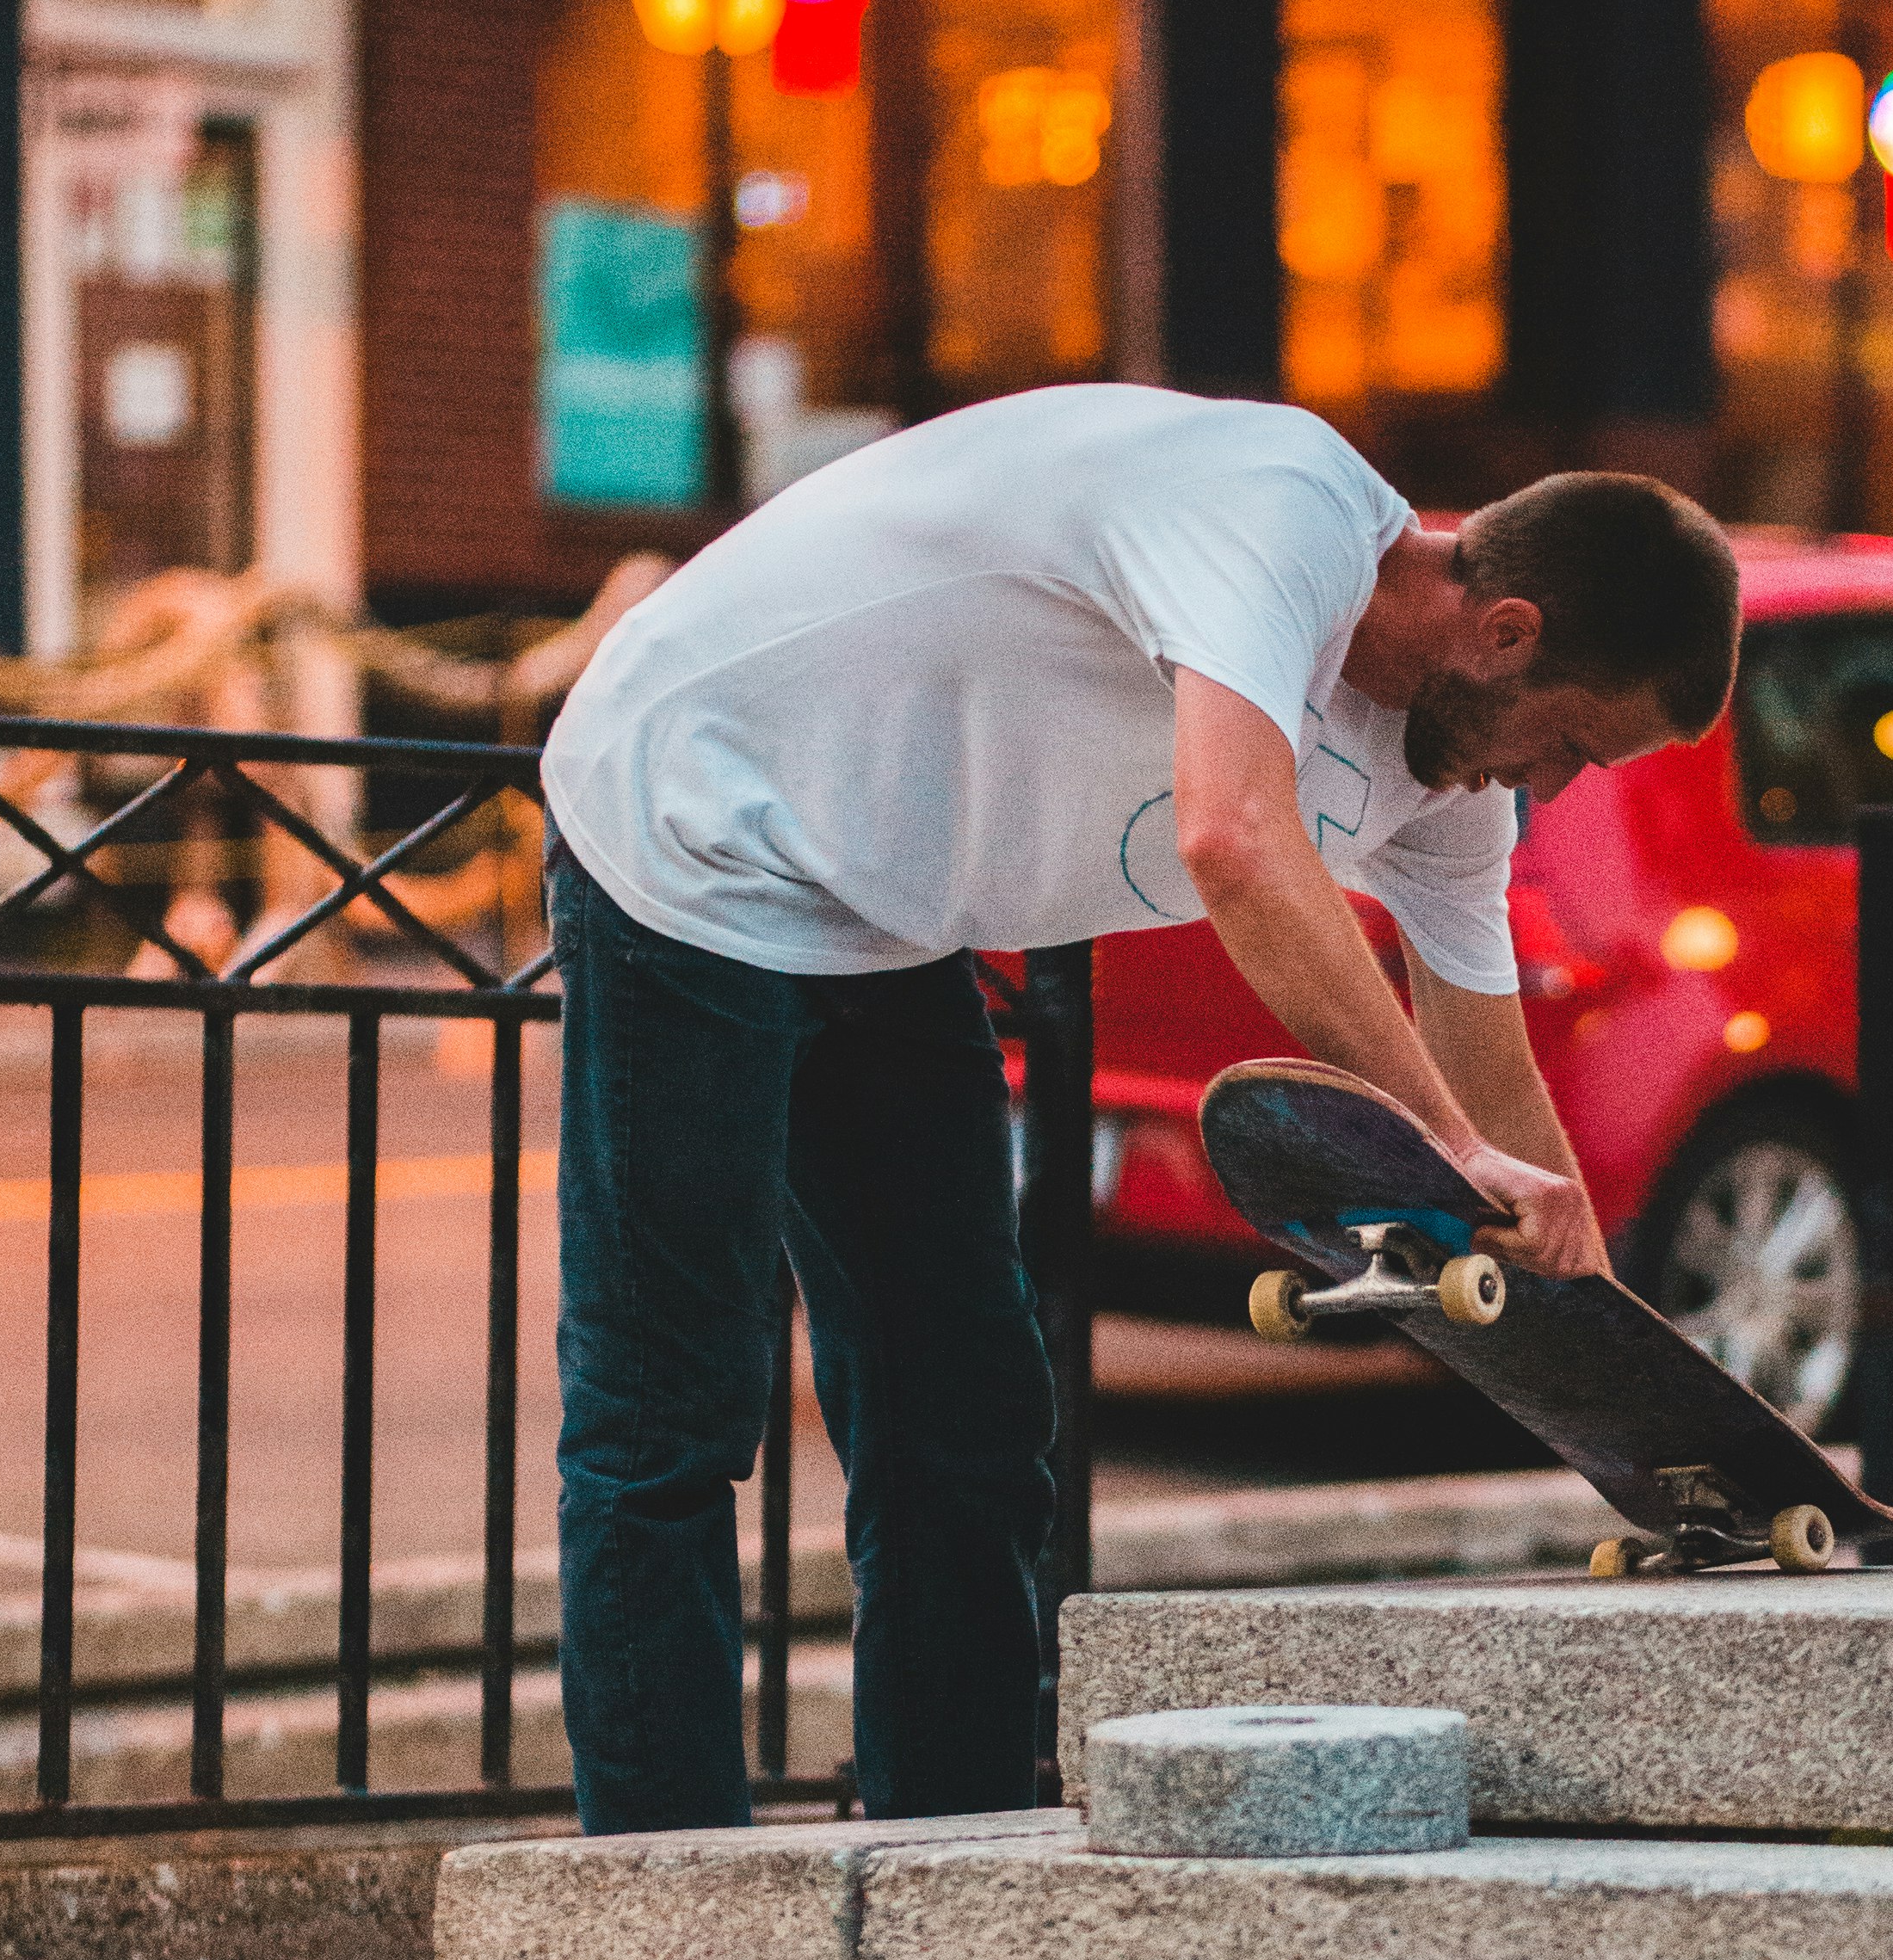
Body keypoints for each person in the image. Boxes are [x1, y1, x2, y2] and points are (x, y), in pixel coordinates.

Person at [539, 382, 1743, 1836]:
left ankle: (948, 1855)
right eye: (1572, 746)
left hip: (883, 915)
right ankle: (665, 1899)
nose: (1547, 786)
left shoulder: (1450, 793)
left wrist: (1654, 1418)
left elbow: (1499, 1090)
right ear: (1506, 632)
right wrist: (1444, 1147)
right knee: (671, 1408)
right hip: (688, 823)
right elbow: (1232, 835)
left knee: (967, 1418)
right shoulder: (1279, 512)